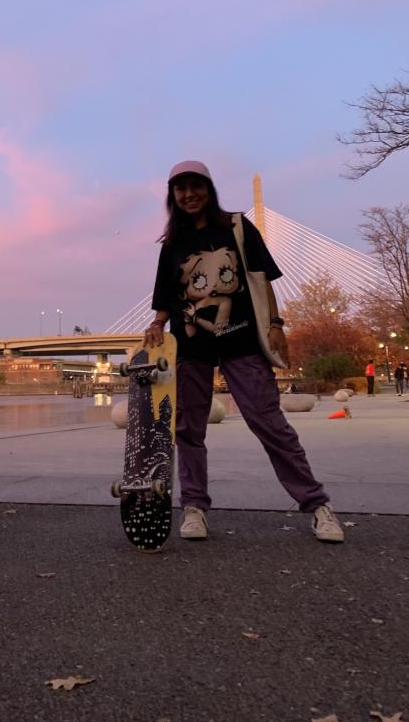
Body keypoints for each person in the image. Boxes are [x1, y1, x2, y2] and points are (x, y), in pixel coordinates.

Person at [146, 160, 344, 544]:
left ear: (209, 189)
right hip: (191, 348)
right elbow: (166, 299)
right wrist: (156, 325)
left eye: (196, 186)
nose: (189, 194)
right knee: (188, 429)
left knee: (268, 422)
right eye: (180, 188)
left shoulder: (236, 227)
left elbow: (261, 278)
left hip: (242, 342)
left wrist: (275, 324)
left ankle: (317, 505)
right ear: (172, 196)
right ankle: (194, 507)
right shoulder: (172, 245)